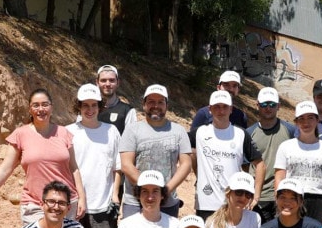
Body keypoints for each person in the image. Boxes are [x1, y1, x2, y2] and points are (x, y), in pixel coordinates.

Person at [0, 88, 86, 224]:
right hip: (34, 205)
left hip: (65, 204)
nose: (41, 109)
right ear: (30, 109)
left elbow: (74, 168)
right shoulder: (20, 134)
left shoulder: (64, 133)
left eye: (45, 104)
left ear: (51, 107)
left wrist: (82, 198)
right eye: (36, 105)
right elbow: (5, 169)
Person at [68, 84, 122, 228]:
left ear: (100, 106)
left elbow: (117, 167)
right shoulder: (69, 131)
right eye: (85, 105)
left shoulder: (111, 131)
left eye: (93, 105)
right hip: (76, 202)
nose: (89, 109)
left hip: (102, 201)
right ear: (78, 106)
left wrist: (115, 195)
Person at [119, 84, 192, 219]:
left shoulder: (179, 131)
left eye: (160, 102)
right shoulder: (132, 130)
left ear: (166, 105)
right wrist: (148, 191)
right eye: (151, 102)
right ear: (144, 104)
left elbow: (186, 164)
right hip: (135, 202)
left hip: (167, 201)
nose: (156, 106)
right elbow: (126, 165)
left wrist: (165, 191)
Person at [192, 90, 264, 219]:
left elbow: (260, 164)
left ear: (231, 109)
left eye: (225, 106)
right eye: (217, 107)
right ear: (210, 109)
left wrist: (256, 195)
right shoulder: (199, 133)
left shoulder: (241, 134)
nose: (221, 111)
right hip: (206, 203)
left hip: (233, 204)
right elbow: (180, 148)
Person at [273, 101, 322, 221]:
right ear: (296, 122)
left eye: (310, 118)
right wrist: (279, 203)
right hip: (291, 198)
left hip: (318, 202)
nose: (306, 122)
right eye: (301, 119)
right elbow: (279, 177)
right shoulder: (285, 146)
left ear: (317, 120)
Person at [246, 87, 296, 223]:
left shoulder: (290, 130)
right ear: (257, 105)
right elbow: (244, 166)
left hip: (282, 196)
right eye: (264, 105)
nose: (268, 108)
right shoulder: (249, 133)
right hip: (256, 197)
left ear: (279, 106)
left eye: (272, 104)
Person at [188, 70, 249, 142]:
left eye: (234, 86)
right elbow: (191, 144)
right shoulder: (203, 114)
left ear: (238, 90)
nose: (231, 89)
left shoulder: (241, 116)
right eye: (226, 85)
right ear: (218, 87)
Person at [93, 64, 137, 136]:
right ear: (97, 83)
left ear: (118, 82)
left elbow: (131, 141)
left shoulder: (128, 111)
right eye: (103, 80)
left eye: (112, 80)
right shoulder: (88, 109)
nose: (107, 84)